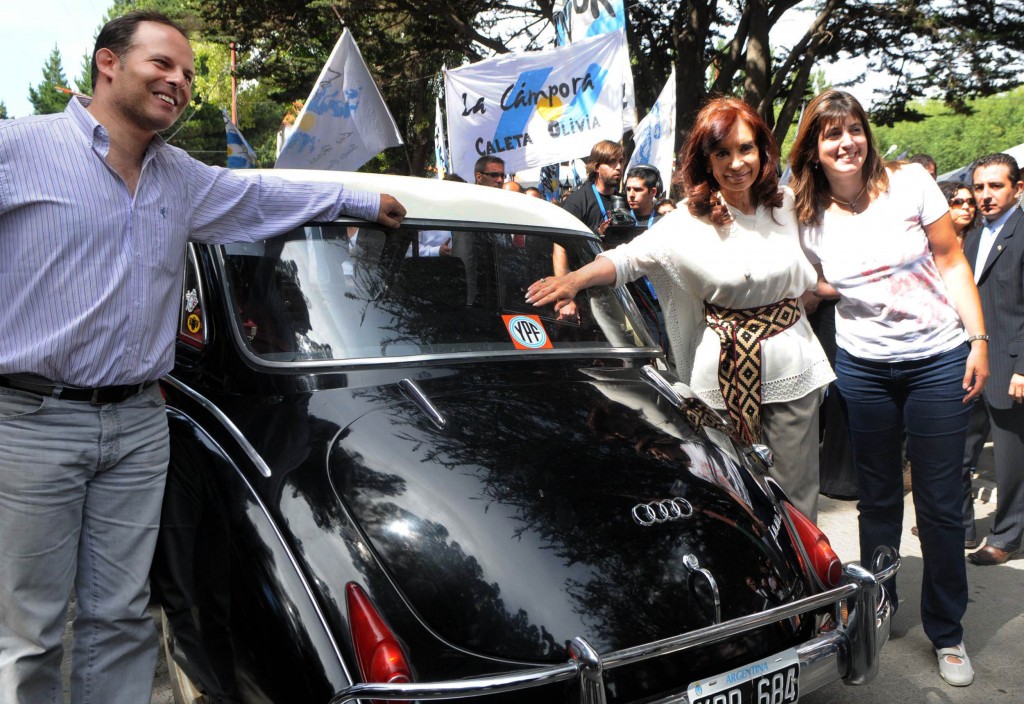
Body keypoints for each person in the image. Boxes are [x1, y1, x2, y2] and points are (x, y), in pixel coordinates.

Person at [0, 11, 405, 704]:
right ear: (108, 64)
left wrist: (360, 196)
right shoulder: (17, 148)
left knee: (121, 616)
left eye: (188, 73)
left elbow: (264, 195)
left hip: (137, 427)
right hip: (31, 421)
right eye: (163, 64)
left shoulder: (180, 178)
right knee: (30, 631)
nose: (180, 81)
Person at [527, 97, 835, 522]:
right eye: (721, 152)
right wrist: (574, 280)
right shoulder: (687, 222)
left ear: (763, 151)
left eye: (745, 148)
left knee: (797, 496)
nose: (736, 163)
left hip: (791, 366)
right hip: (720, 372)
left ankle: (807, 582)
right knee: (729, 493)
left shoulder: (786, 204)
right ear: (704, 160)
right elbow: (626, 259)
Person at [789, 89, 988, 688]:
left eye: (853, 130)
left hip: (937, 359)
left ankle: (946, 630)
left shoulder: (909, 185)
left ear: (866, 135)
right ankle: (878, 603)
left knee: (939, 502)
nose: (845, 142)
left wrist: (978, 340)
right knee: (875, 500)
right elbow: (812, 286)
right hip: (863, 367)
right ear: (814, 149)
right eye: (830, 134)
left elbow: (952, 259)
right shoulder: (805, 213)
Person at [961, 153, 1024, 567]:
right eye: (980, 187)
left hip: (1010, 366)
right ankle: (961, 526)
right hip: (969, 363)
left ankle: (1007, 535)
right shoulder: (970, 236)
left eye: (995, 186)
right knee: (960, 451)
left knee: (1009, 459)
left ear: (1018, 188)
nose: (985, 196)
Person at [559, 140, 624, 236]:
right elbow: (561, 248)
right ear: (597, 167)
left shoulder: (625, 201)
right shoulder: (577, 201)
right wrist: (599, 233)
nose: (618, 167)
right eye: (612, 162)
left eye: (621, 161)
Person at [623, 164, 663, 228]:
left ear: (653, 192)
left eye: (637, 190)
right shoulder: (620, 221)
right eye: (628, 189)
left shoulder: (663, 223)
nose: (631, 195)